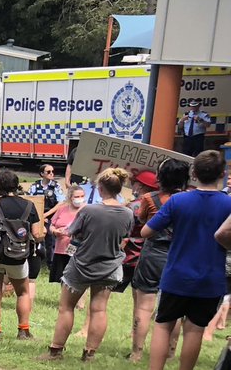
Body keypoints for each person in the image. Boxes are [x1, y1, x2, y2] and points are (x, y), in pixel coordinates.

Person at [41, 168, 134, 362]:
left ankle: (55, 351)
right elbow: (124, 237)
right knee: (99, 309)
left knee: (66, 308)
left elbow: (71, 231)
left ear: (100, 188)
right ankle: (90, 353)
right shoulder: (127, 213)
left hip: (82, 264)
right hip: (110, 266)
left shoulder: (89, 210)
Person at [149, 151, 231, 370]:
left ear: (193, 173)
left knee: (163, 325)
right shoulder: (228, 204)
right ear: (222, 173)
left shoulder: (178, 200)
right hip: (210, 279)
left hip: (176, 275)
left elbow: (148, 230)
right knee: (195, 329)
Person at [129, 160, 186, 362]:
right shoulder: (188, 199)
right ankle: (170, 353)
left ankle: (136, 353)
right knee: (175, 307)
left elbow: (144, 222)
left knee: (144, 306)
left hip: (153, 253)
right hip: (179, 254)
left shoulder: (149, 198)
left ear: (160, 177)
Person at [0, 169, 40, 340]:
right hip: (18, 255)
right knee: (23, 293)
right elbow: (36, 233)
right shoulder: (29, 205)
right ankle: (23, 330)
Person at [47, 186, 85, 284]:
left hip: (78, 250)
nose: (80, 198)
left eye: (82, 196)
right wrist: (55, 231)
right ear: (70, 197)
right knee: (62, 278)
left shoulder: (87, 210)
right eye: (77, 196)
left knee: (77, 279)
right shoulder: (62, 209)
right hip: (61, 249)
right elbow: (52, 225)